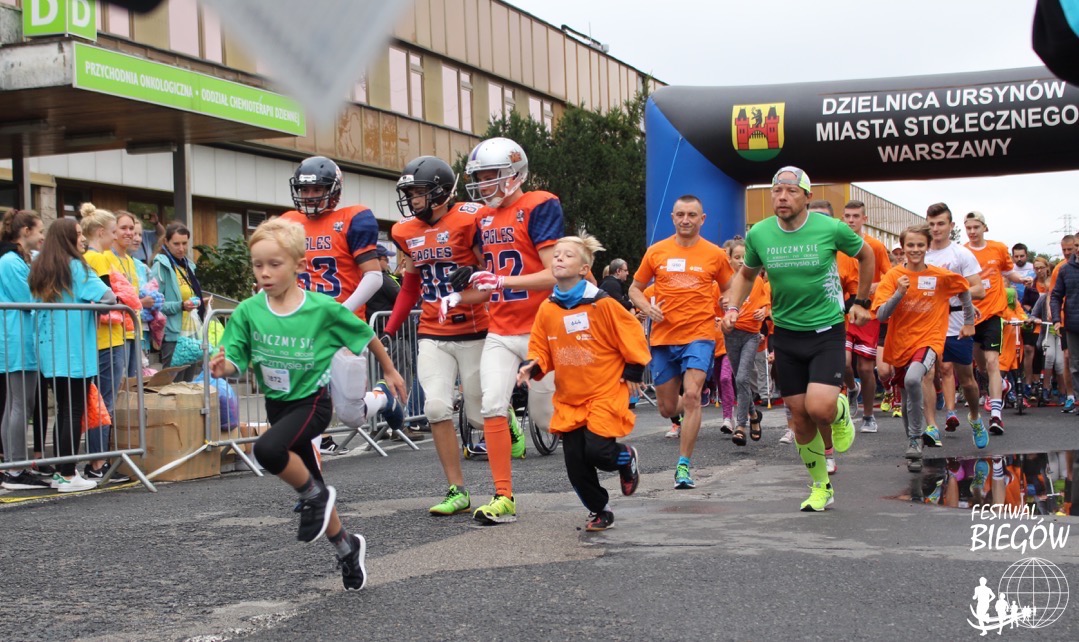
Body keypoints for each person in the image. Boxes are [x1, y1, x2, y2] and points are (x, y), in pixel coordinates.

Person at [209, 218, 407, 591]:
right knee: (312, 484)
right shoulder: (249, 311)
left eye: (274, 264)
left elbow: (364, 334)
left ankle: (315, 496)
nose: (265, 273)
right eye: (257, 265)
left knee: (268, 451)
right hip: (277, 406)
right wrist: (226, 367)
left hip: (312, 404)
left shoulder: (321, 309)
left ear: (299, 265)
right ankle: (347, 547)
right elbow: (235, 354)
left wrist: (390, 370)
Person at [723, 167, 874, 512]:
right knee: (800, 416)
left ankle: (840, 411)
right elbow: (746, 274)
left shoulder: (831, 228)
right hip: (787, 334)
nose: (782, 197)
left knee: (819, 408)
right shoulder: (760, 233)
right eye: (777, 190)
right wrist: (733, 308)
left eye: (791, 191)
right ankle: (821, 486)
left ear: (807, 197)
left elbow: (867, 255)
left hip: (826, 330)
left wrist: (862, 302)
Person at [447, 137, 563, 524]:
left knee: (547, 419)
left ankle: (614, 454)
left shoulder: (539, 205)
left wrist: (500, 281)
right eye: (479, 177)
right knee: (492, 405)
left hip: (539, 327)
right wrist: (461, 294)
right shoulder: (483, 218)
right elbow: (489, 280)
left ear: (514, 173)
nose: (483, 184)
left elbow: (553, 274)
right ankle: (503, 497)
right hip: (500, 327)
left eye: (490, 175)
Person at [517, 234, 649, 531]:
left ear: (584, 268)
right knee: (575, 463)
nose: (559, 258)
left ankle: (625, 458)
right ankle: (600, 509)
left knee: (598, 451)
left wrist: (633, 371)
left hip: (605, 391)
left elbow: (632, 332)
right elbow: (540, 349)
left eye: (568, 255)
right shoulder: (548, 308)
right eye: (556, 255)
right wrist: (531, 366)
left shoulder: (602, 303)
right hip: (570, 397)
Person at [387, 155, 489, 515]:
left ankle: (503, 415)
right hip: (432, 329)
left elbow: (492, 270)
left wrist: (472, 271)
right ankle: (456, 489)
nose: (412, 199)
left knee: (479, 416)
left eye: (418, 192)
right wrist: (390, 327)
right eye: (409, 193)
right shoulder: (405, 231)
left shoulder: (470, 218)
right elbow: (410, 285)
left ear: (442, 191)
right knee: (435, 406)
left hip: (474, 328)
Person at [628, 194, 734, 489]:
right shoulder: (656, 252)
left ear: (703, 219)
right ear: (673, 218)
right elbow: (635, 288)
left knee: (692, 396)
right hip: (664, 338)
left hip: (699, 335)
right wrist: (646, 307)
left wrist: (728, 307)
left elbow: (730, 289)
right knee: (666, 408)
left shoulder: (714, 254)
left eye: (692, 215)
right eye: (681, 215)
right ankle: (684, 412)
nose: (686, 220)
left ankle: (683, 466)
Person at [281, 156, 385, 456]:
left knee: (351, 414)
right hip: (304, 325)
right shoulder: (289, 222)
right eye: (305, 190)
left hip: (343, 327)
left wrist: (340, 311)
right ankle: (310, 471)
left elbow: (374, 276)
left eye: (318, 189)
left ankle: (383, 398)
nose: (310, 196)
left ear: (334, 190)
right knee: (304, 400)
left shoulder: (353, 218)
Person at [873, 224, 973, 472]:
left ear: (927, 247)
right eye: (911, 245)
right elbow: (882, 314)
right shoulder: (894, 276)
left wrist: (969, 322)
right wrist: (899, 293)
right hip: (900, 344)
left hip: (930, 340)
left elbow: (963, 289)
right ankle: (913, 442)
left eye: (920, 245)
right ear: (903, 247)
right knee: (907, 395)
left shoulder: (939, 276)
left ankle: (917, 438)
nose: (915, 249)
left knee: (913, 378)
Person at [28, 218, 113, 492]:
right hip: (75, 349)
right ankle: (67, 474)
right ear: (67, 238)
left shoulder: (40, 267)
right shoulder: (76, 267)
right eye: (77, 234)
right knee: (73, 411)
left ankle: (61, 472)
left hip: (49, 349)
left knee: (64, 411)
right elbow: (108, 296)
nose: (82, 239)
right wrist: (94, 307)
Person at [923, 203, 988, 447]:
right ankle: (932, 426)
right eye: (931, 224)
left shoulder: (961, 254)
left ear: (951, 226)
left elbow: (979, 289)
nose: (936, 228)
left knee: (967, 380)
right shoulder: (922, 253)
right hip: (928, 322)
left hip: (956, 321)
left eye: (941, 223)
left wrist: (953, 291)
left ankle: (975, 417)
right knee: (928, 373)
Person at [963, 211, 1033, 434]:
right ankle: (1003, 385)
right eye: (968, 228)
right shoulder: (962, 252)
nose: (972, 232)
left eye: (976, 227)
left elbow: (1009, 272)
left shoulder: (998, 248)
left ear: (985, 228)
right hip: (972, 314)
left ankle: (996, 415)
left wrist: (1021, 279)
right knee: (982, 366)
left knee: (993, 362)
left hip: (994, 313)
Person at [0, 210, 49, 490]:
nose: (42, 236)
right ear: (26, 231)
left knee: (17, 404)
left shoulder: (14, 259)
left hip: (18, 337)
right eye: (39, 230)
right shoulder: (10, 261)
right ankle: (15, 469)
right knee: (20, 404)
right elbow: (30, 297)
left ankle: (14, 466)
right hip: (16, 338)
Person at [80, 204, 129, 478]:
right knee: (104, 403)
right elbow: (106, 300)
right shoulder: (98, 259)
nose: (115, 237)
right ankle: (98, 463)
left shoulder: (88, 258)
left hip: (99, 339)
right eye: (112, 232)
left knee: (98, 402)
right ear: (100, 232)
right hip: (107, 339)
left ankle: (97, 461)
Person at [837, 200, 893, 434]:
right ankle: (852, 388)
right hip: (845, 310)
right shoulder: (838, 246)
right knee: (843, 362)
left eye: (856, 216)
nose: (851, 220)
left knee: (866, 368)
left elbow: (890, 275)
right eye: (847, 216)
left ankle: (869, 416)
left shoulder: (875, 245)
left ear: (864, 219)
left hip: (868, 312)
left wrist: (876, 285)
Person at [151, 222, 205, 382]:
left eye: (184, 243)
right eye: (176, 244)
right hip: (173, 334)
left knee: (187, 384)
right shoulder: (161, 266)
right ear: (166, 242)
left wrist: (200, 301)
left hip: (191, 333)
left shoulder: (188, 266)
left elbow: (189, 294)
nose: (181, 248)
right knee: (171, 384)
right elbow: (154, 303)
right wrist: (181, 306)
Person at [725, 270, 770, 447]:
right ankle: (754, 415)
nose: (741, 261)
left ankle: (741, 425)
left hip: (751, 335)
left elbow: (766, 305)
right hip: (730, 335)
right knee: (741, 380)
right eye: (736, 257)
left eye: (744, 258)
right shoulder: (724, 281)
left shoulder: (757, 281)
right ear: (729, 259)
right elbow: (714, 307)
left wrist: (762, 311)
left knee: (742, 377)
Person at [364, 245, 402, 323]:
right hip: (384, 324)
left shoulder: (366, 275)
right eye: (386, 259)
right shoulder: (382, 278)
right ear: (377, 260)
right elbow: (401, 297)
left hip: (373, 322)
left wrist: (398, 277)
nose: (388, 262)